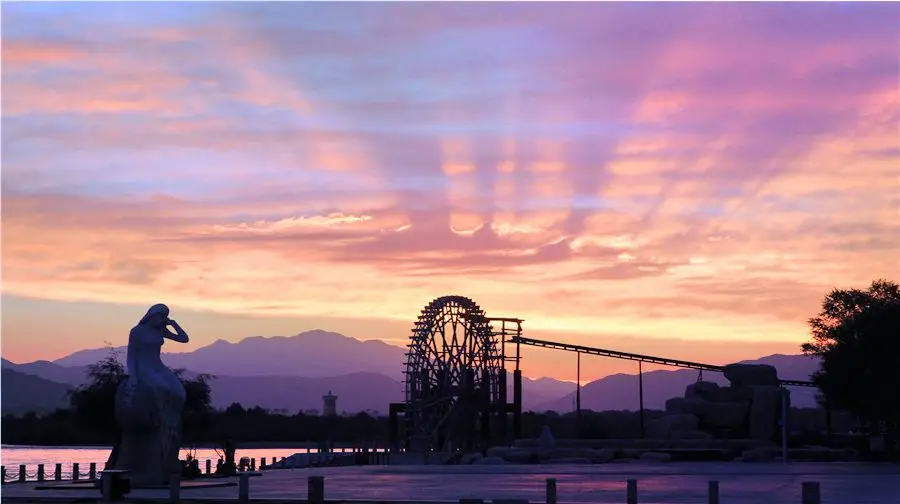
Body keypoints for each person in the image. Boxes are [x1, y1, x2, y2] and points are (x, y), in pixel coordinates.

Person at [113, 303, 191, 486]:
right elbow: (131, 355)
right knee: (162, 388)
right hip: (144, 367)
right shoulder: (137, 331)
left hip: (158, 366)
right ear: (152, 315)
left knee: (179, 391)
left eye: (165, 316)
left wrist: (173, 323)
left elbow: (184, 339)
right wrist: (134, 375)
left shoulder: (161, 330)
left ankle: (170, 423)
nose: (163, 319)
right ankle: (158, 417)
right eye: (161, 315)